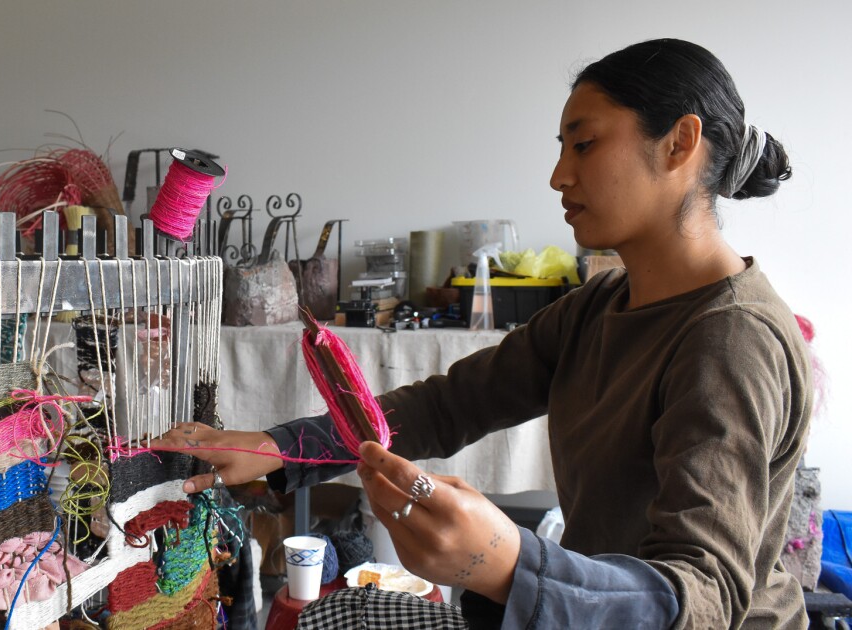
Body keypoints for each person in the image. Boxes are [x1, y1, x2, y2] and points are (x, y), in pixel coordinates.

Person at [153, 38, 809, 629]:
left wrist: (511, 565)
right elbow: (447, 406)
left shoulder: (731, 340)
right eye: (560, 149)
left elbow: (704, 598)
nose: (559, 175)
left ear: (679, 144)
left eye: (584, 144)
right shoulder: (600, 307)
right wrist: (280, 449)